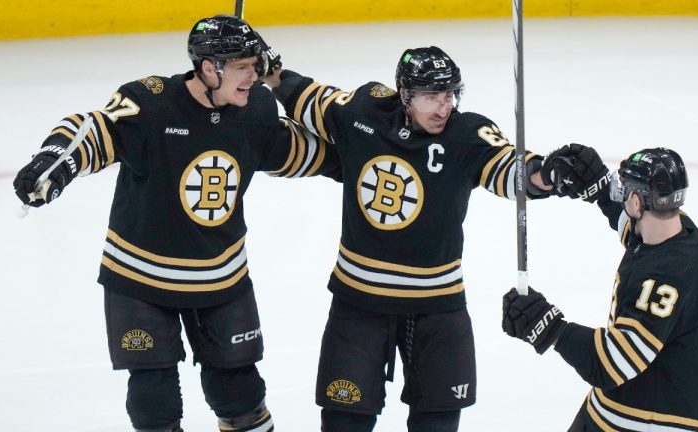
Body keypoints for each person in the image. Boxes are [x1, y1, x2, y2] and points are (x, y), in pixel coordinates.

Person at [12, 15, 341, 432]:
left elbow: (297, 149)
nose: (252, 77)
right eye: (242, 68)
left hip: (221, 278)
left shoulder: (256, 109)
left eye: (255, 67)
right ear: (208, 68)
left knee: (240, 396)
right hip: (140, 279)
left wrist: (364, 156)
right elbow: (93, 128)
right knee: (154, 403)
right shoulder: (152, 104)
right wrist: (58, 159)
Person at [261, 46, 608, 431]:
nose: (443, 107)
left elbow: (511, 169)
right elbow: (310, 98)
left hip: (437, 307)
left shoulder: (468, 134)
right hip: (359, 301)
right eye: (431, 96)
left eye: (449, 94)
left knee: (439, 424)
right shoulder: (363, 112)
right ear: (404, 94)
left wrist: (549, 173)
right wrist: (272, 75)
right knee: (344, 423)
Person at [502, 147, 698, 431]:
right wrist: (599, 187)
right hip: (618, 410)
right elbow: (633, 227)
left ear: (636, 201)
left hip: (647, 423)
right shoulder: (678, 234)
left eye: (623, 191)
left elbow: (612, 364)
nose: (620, 196)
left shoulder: (666, 277)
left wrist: (551, 328)